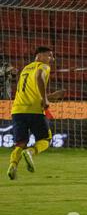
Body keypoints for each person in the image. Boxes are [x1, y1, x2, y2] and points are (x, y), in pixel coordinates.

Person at [7, 47, 65, 180]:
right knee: (45, 139)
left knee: (20, 143)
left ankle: (13, 166)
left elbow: (32, 94)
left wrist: (51, 96)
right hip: (34, 111)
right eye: (49, 56)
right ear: (39, 56)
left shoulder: (25, 69)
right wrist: (46, 99)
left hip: (17, 110)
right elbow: (39, 77)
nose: (52, 59)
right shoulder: (43, 66)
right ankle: (30, 152)